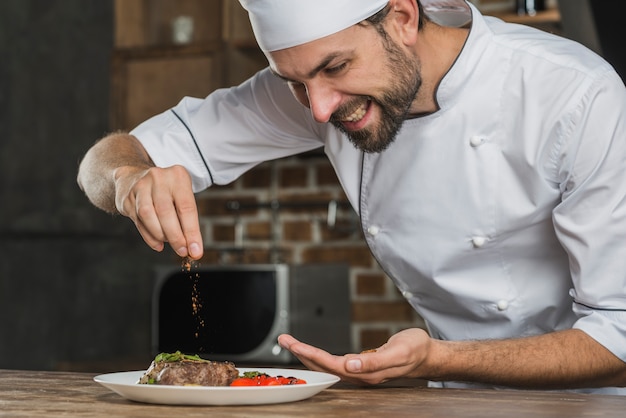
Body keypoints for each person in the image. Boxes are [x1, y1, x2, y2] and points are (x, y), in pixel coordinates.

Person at [77, 0, 626, 394]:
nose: (318, 109)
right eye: (294, 81)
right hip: (454, 403)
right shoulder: (319, 90)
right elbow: (101, 163)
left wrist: (438, 358)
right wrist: (128, 180)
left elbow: (617, 339)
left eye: (335, 67)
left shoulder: (575, 94)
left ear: (404, 17)